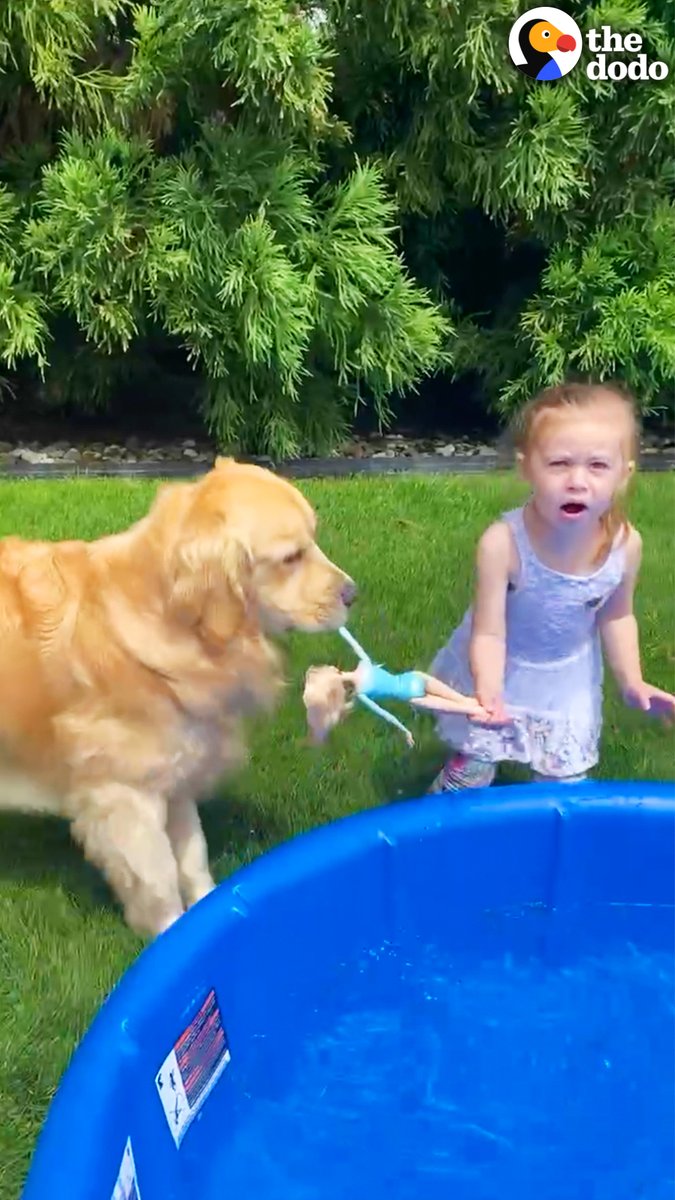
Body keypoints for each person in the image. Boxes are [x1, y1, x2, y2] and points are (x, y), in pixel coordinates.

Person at [428, 381, 675, 793]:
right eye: (559, 463)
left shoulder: (624, 546)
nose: (577, 481)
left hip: (567, 677)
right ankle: (434, 834)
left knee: (564, 783)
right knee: (474, 767)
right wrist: (489, 694)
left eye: (597, 466)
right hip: (501, 664)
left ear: (623, 475)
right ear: (528, 467)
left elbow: (618, 615)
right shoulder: (502, 544)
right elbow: (488, 631)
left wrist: (632, 681)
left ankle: (552, 844)